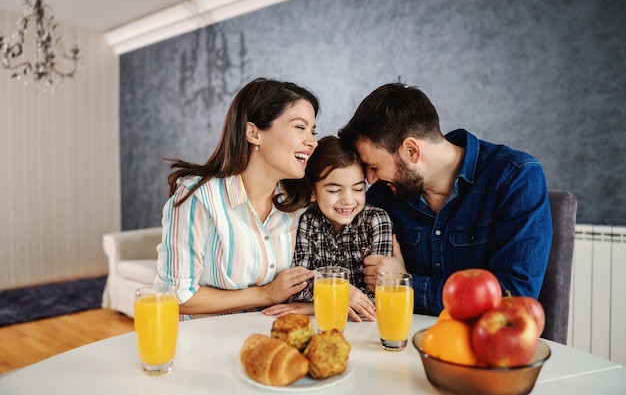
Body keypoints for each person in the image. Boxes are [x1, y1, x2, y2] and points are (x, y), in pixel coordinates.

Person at [338, 82, 553, 316]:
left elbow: (513, 297)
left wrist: (405, 285)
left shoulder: (515, 178)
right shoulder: (384, 194)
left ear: (411, 150)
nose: (369, 179)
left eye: (374, 166)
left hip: (485, 345)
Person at [154, 77, 320, 320]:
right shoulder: (200, 198)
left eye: (313, 131)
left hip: (270, 341)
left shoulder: (296, 203)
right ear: (253, 133)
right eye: (299, 127)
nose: (312, 141)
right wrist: (265, 294)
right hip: (207, 347)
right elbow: (175, 295)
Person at [262, 135, 393, 322]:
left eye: (357, 189)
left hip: (367, 327)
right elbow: (297, 285)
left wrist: (314, 304)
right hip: (321, 324)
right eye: (334, 190)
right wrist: (344, 292)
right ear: (313, 193)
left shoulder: (377, 221)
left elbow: (379, 298)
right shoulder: (307, 222)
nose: (348, 199)